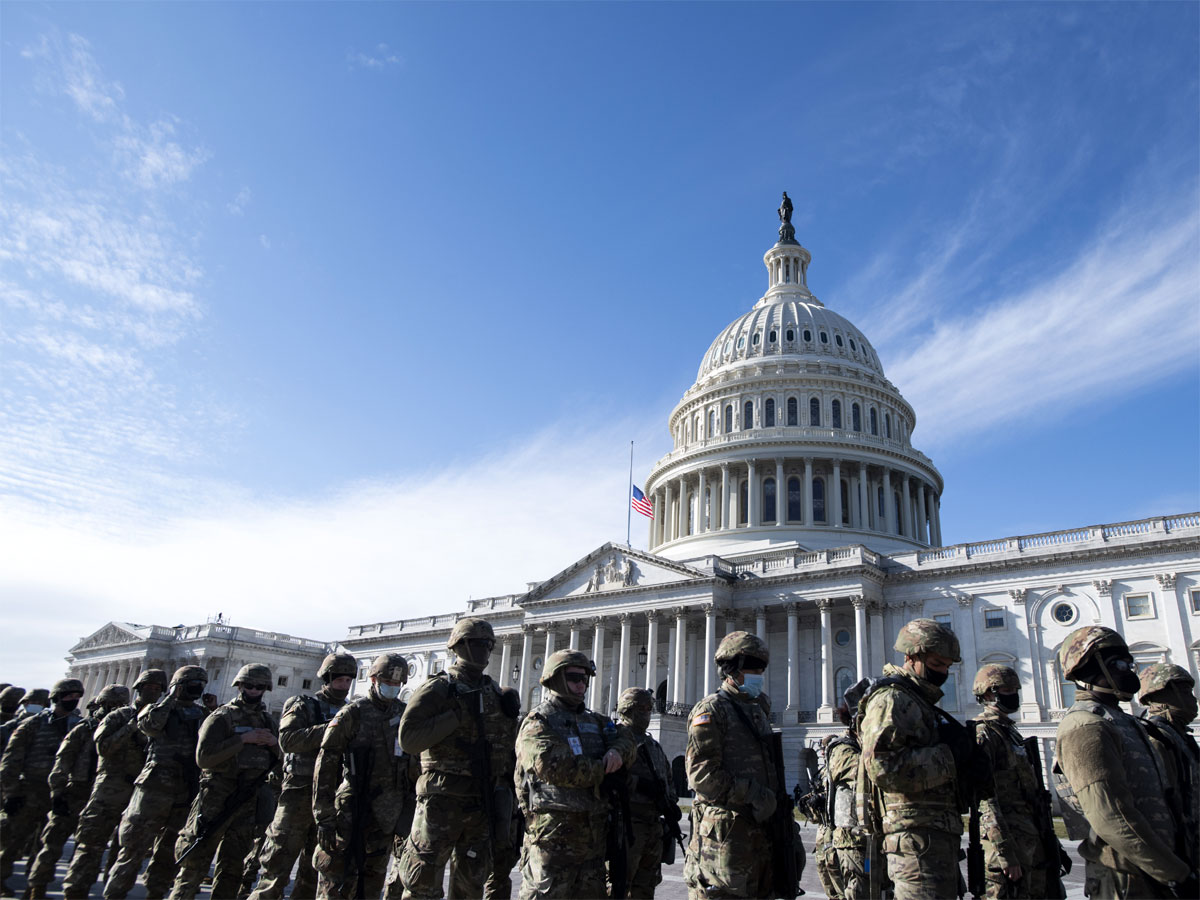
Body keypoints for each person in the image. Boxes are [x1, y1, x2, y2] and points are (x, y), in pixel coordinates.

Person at [1054, 626, 1192, 898]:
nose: (1129, 671)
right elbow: (1110, 815)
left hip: (1154, 873)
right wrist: (1176, 875)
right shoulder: (1085, 725)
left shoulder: (1124, 722)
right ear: (1089, 667)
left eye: (1130, 664)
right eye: (1120, 664)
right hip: (1125, 880)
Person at [396, 617, 516, 899]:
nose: (484, 650)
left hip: (481, 800)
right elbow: (409, 739)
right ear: (459, 646)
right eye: (477, 643)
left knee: (471, 884)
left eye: (488, 644)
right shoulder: (439, 689)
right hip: (441, 800)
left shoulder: (495, 693)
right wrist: (456, 715)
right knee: (422, 882)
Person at [858, 618, 969, 900]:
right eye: (936, 664)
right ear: (911, 657)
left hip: (933, 835)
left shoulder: (919, 700)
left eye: (946, 666)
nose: (943, 672)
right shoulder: (892, 699)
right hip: (913, 841)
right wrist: (950, 757)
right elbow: (882, 767)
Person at [514, 649, 635, 900]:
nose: (581, 685)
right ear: (556, 679)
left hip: (593, 840)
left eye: (585, 679)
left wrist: (617, 752)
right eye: (574, 678)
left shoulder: (597, 721)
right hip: (552, 840)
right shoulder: (538, 721)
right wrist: (604, 769)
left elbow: (627, 738)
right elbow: (554, 767)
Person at [249, 652, 357, 900]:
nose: (344, 685)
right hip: (298, 795)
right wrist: (332, 729)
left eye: (348, 680)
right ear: (327, 678)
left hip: (331, 801)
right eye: (339, 679)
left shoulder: (353, 711)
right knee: (275, 871)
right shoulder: (303, 705)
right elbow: (287, 741)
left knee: (314, 873)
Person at [312, 652, 418, 900]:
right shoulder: (353, 713)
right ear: (372, 679)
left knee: (372, 881)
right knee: (336, 880)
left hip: (388, 812)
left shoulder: (405, 714)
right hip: (352, 808)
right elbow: (326, 763)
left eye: (396, 684)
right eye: (387, 682)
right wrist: (323, 816)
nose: (392, 687)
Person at [169, 663, 279, 899]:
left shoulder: (268, 722)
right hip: (217, 797)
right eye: (249, 685)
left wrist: (274, 744)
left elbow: (281, 761)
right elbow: (204, 758)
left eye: (259, 687)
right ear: (239, 686)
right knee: (194, 865)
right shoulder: (222, 716)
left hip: (248, 800)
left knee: (232, 869)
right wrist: (243, 740)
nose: (254, 690)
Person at [683, 631, 778, 900]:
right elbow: (701, 775)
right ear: (733, 669)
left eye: (761, 668)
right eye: (753, 668)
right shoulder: (711, 710)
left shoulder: (757, 710)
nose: (759, 674)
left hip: (758, 836)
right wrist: (753, 794)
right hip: (723, 844)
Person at [103, 664, 208, 900]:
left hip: (185, 790)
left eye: (199, 685)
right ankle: (114, 895)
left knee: (169, 852)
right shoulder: (157, 710)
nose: (196, 690)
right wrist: (171, 697)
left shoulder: (202, 715)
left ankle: (156, 893)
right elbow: (149, 726)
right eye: (191, 684)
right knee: (133, 849)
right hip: (153, 788)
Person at [61, 670, 166, 899]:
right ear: (138, 688)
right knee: (90, 846)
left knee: (126, 852)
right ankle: (75, 892)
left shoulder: (160, 720)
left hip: (139, 795)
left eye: (158, 689)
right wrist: (132, 726)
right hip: (108, 791)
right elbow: (104, 748)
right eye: (149, 687)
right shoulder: (118, 717)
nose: (153, 693)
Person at [26, 685, 129, 898]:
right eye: (111, 704)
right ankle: (37, 886)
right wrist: (57, 793)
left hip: (101, 795)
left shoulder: (123, 730)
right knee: (52, 845)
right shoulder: (84, 728)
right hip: (75, 791)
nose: (115, 708)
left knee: (89, 849)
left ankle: (77, 890)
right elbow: (62, 762)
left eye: (119, 705)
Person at [0, 678, 84, 893]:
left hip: (60, 793)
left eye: (76, 697)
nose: (73, 700)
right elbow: (11, 760)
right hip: (29, 790)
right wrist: (10, 792)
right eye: (68, 696)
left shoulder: (79, 725)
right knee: (12, 840)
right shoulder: (32, 724)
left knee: (48, 845)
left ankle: (35, 889)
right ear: (56, 698)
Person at [969, 664, 1045, 899]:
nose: (1014, 694)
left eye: (1015, 689)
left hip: (1027, 837)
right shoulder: (984, 732)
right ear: (989, 693)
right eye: (1007, 689)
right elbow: (984, 797)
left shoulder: (1009, 731)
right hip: (1005, 844)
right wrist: (1005, 852)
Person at [614, 686, 678, 899]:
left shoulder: (652, 745)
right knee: (618, 886)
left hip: (652, 827)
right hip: (627, 827)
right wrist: (640, 785)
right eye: (641, 708)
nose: (647, 713)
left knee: (646, 886)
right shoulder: (616, 741)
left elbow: (667, 778)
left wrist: (671, 803)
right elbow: (610, 778)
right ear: (627, 710)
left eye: (649, 708)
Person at [1137, 663, 1199, 878]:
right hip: (1178, 853)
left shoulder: (1180, 736)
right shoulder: (1155, 738)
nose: (1193, 699)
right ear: (1162, 695)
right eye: (1184, 692)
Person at [484, 686, 522, 900]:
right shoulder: (492, 729)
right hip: (496, 801)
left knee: (501, 868)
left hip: (509, 804)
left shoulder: (516, 730)